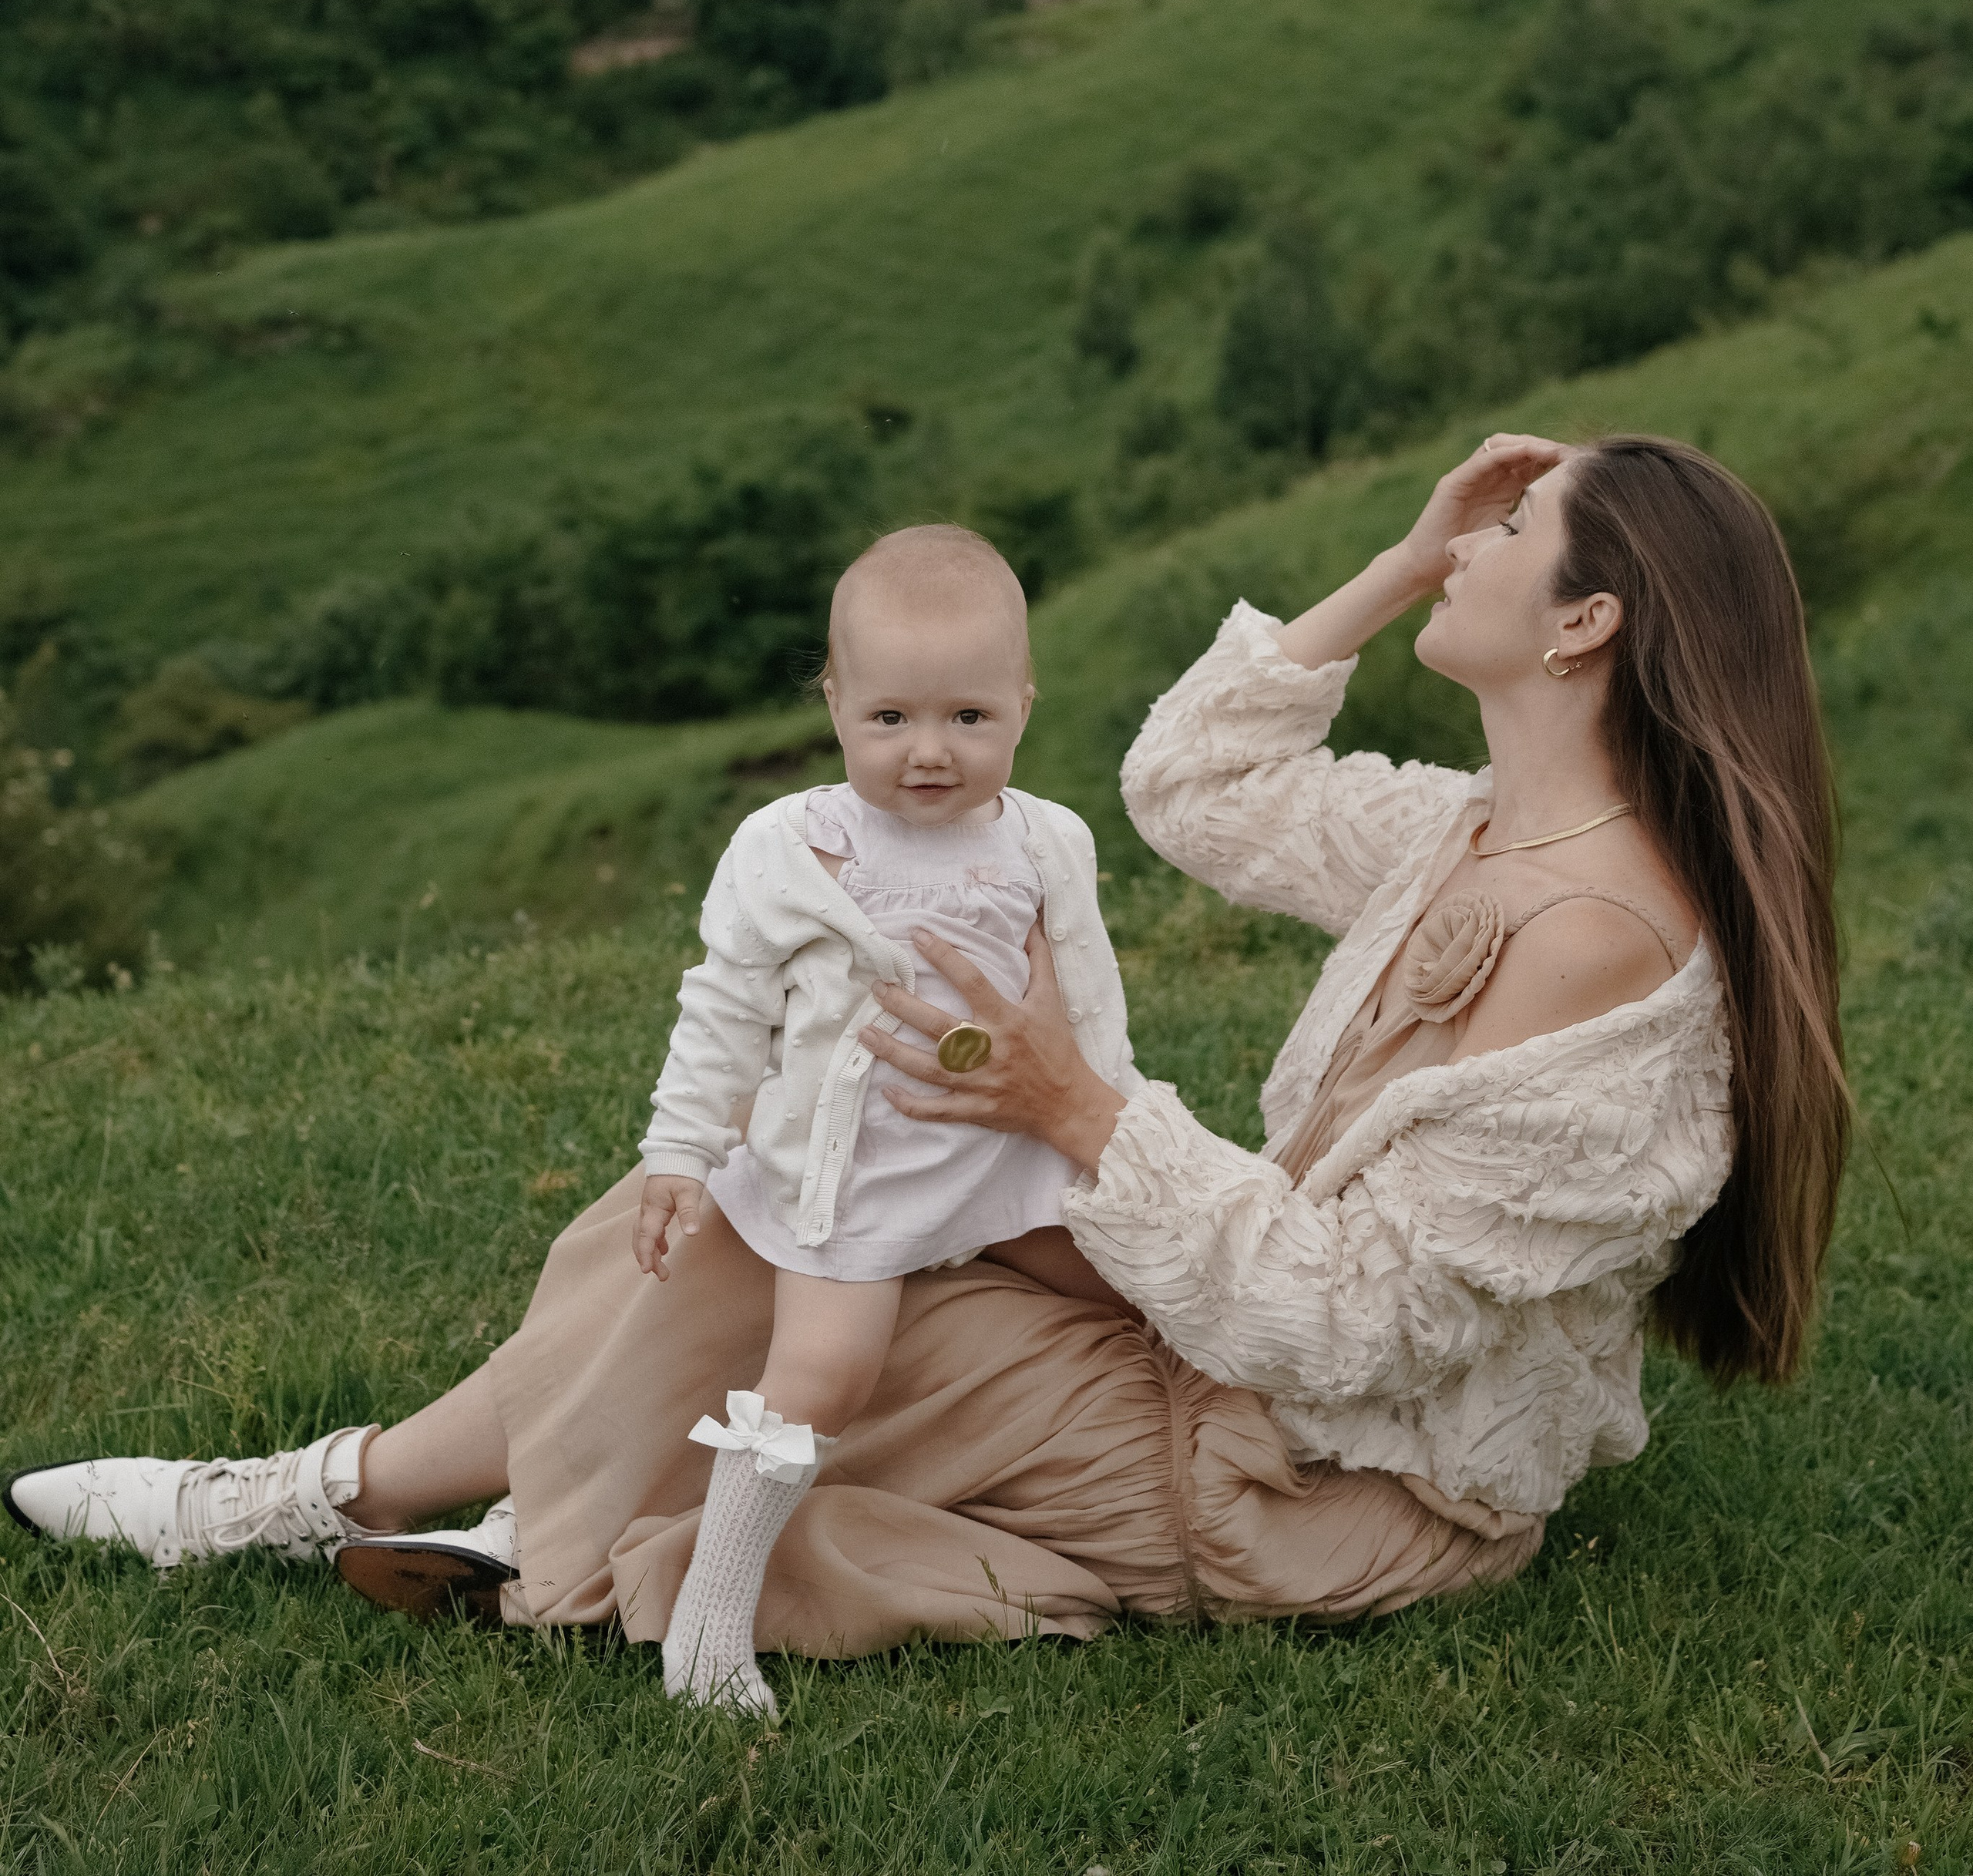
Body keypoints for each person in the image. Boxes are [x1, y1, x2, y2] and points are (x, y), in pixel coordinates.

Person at [8, 433, 1850, 1690]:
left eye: (1505, 540)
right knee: (777, 1204)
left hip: (1317, 1476)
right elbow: (1191, 785)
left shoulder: (1590, 938)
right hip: (1243, 1364)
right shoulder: (1475, 831)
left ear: (1583, 622)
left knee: (815, 1279)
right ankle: (408, 1494)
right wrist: (1387, 563)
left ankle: (355, 1499)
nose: (1464, 544)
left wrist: (1071, 1107)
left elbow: (1355, 1331)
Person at [629, 523, 1132, 1713]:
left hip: (1007, 1153)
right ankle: (713, 1614)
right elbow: (725, 1006)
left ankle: (1170, 1457)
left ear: (1024, 705)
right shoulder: (792, 847)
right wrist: (679, 1148)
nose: (930, 751)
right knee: (827, 1371)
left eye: (970, 717)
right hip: (859, 1171)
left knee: (1137, 1281)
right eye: (891, 717)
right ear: (836, 704)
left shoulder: (1048, 840)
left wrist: (1114, 1136)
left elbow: (1089, 1007)